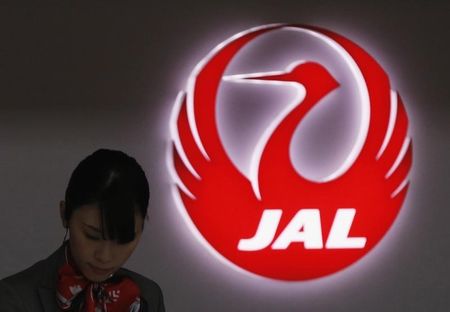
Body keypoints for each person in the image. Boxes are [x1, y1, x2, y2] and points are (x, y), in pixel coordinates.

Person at [0, 149, 165, 311]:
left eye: (123, 240)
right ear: (65, 215)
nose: (105, 257)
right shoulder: (14, 298)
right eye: (92, 236)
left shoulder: (149, 297)